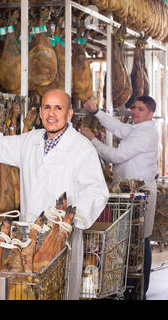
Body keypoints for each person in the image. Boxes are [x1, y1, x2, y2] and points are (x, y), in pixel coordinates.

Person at [0, 89, 109, 300]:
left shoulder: (82, 148)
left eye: (58, 108)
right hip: (28, 236)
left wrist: (68, 221)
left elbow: (97, 191)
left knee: (56, 292)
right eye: (47, 107)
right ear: (41, 111)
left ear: (69, 113)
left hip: (60, 239)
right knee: (25, 293)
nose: (51, 114)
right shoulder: (30, 141)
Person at [80, 95, 159, 299]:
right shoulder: (136, 128)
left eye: (140, 109)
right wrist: (96, 112)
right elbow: (119, 128)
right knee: (132, 238)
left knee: (141, 239)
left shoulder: (145, 134)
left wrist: (93, 140)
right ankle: (129, 284)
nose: (134, 111)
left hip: (141, 194)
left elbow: (115, 156)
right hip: (127, 192)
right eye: (133, 108)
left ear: (150, 113)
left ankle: (140, 287)